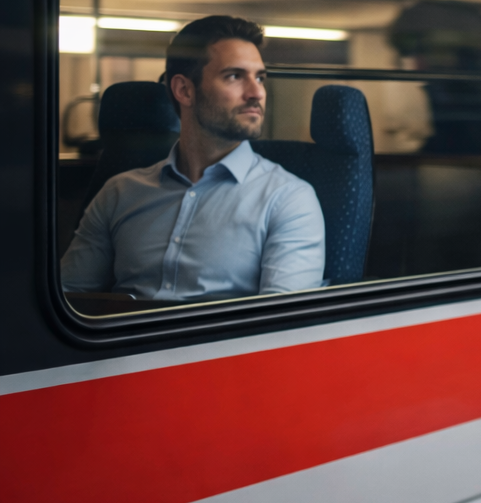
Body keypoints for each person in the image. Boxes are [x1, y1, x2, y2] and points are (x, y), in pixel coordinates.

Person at [62, 15, 325, 301]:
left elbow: (281, 328)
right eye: (235, 76)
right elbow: (67, 297)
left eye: (259, 77)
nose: (256, 92)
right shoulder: (119, 193)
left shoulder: (288, 199)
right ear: (184, 90)